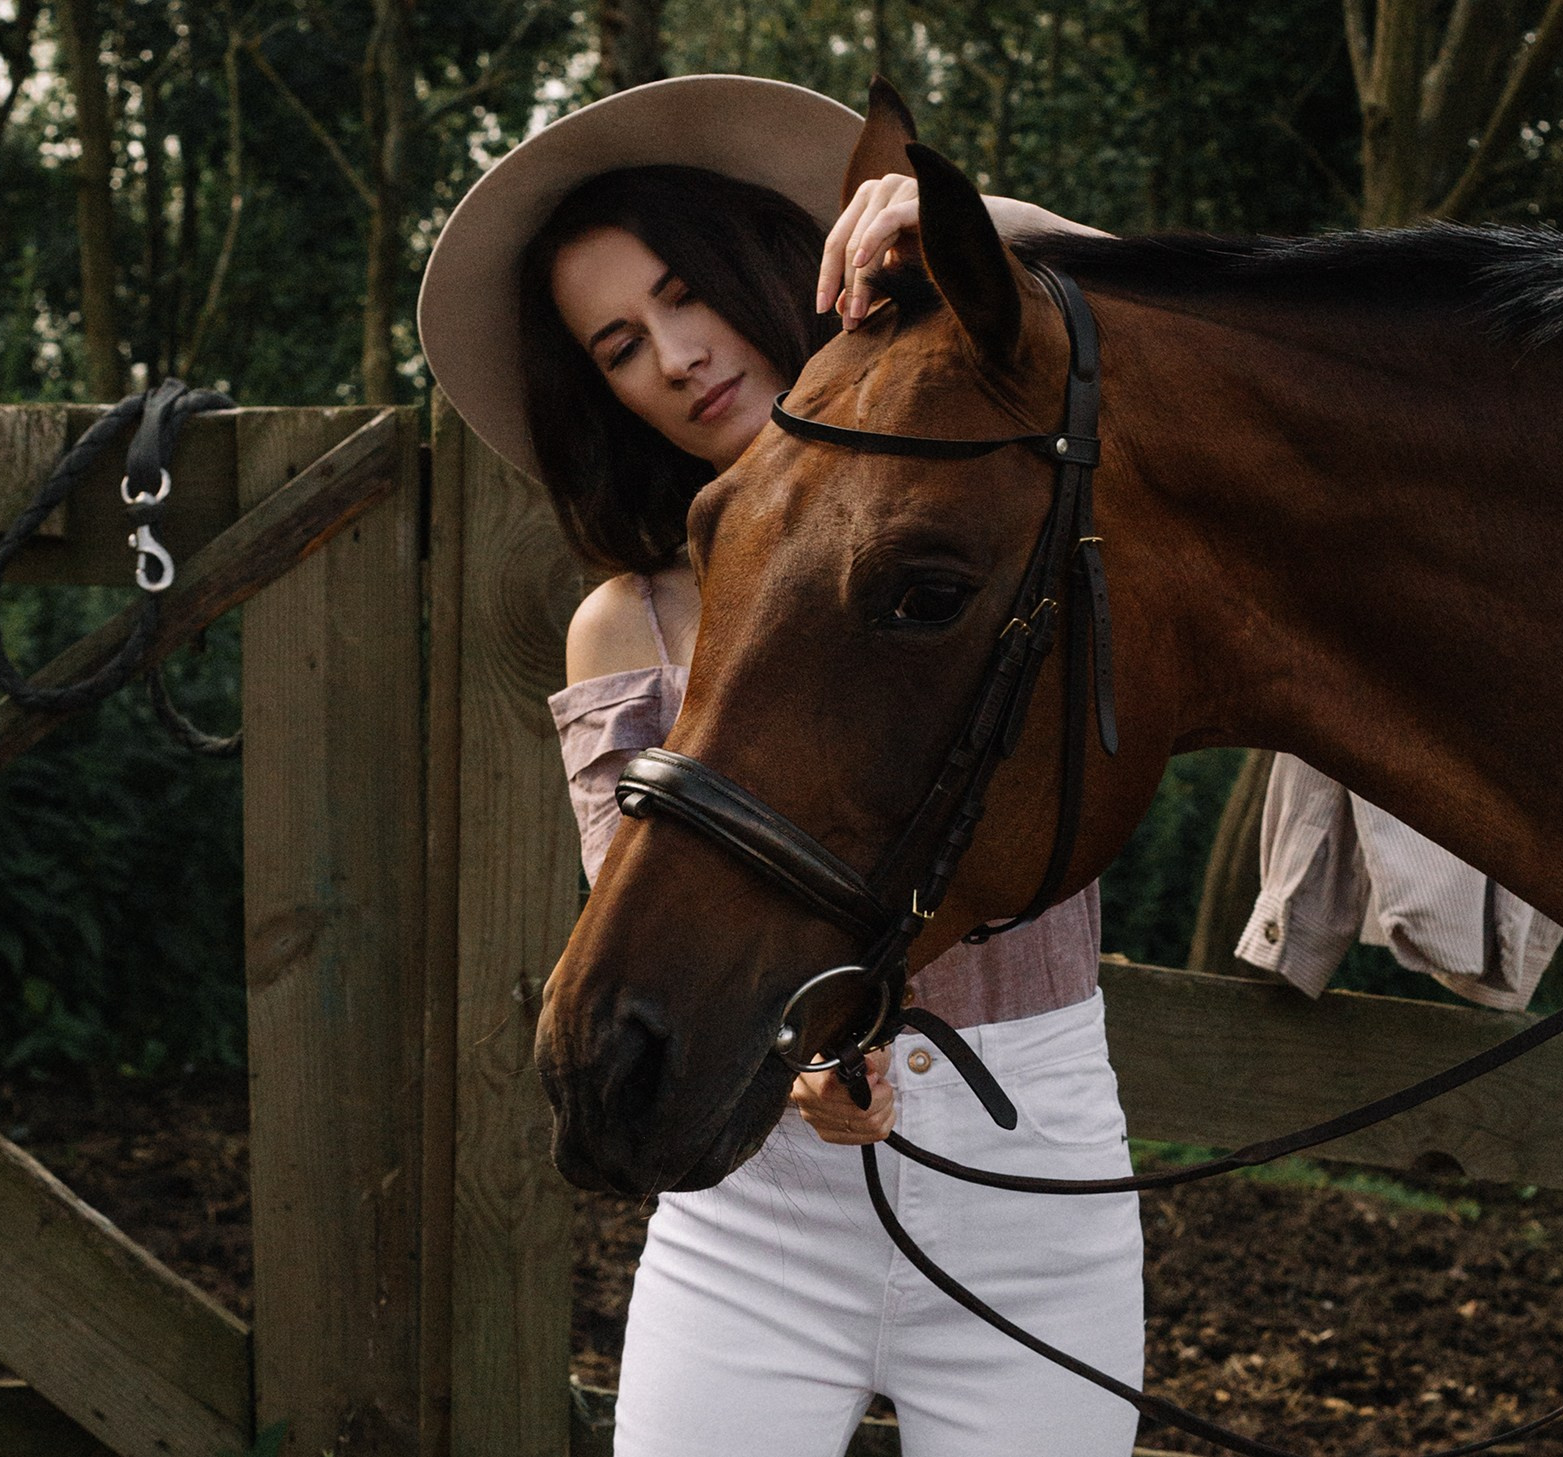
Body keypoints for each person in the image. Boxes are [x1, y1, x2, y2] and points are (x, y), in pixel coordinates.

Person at [418, 76, 1142, 1457]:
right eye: (622, 344)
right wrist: (795, 1063)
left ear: (767, 264)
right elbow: (643, 911)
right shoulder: (624, 626)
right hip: (758, 1209)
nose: (676, 354)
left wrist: (971, 221)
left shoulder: (998, 519)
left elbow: (1160, 327)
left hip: (1033, 1187)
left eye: (685, 291)